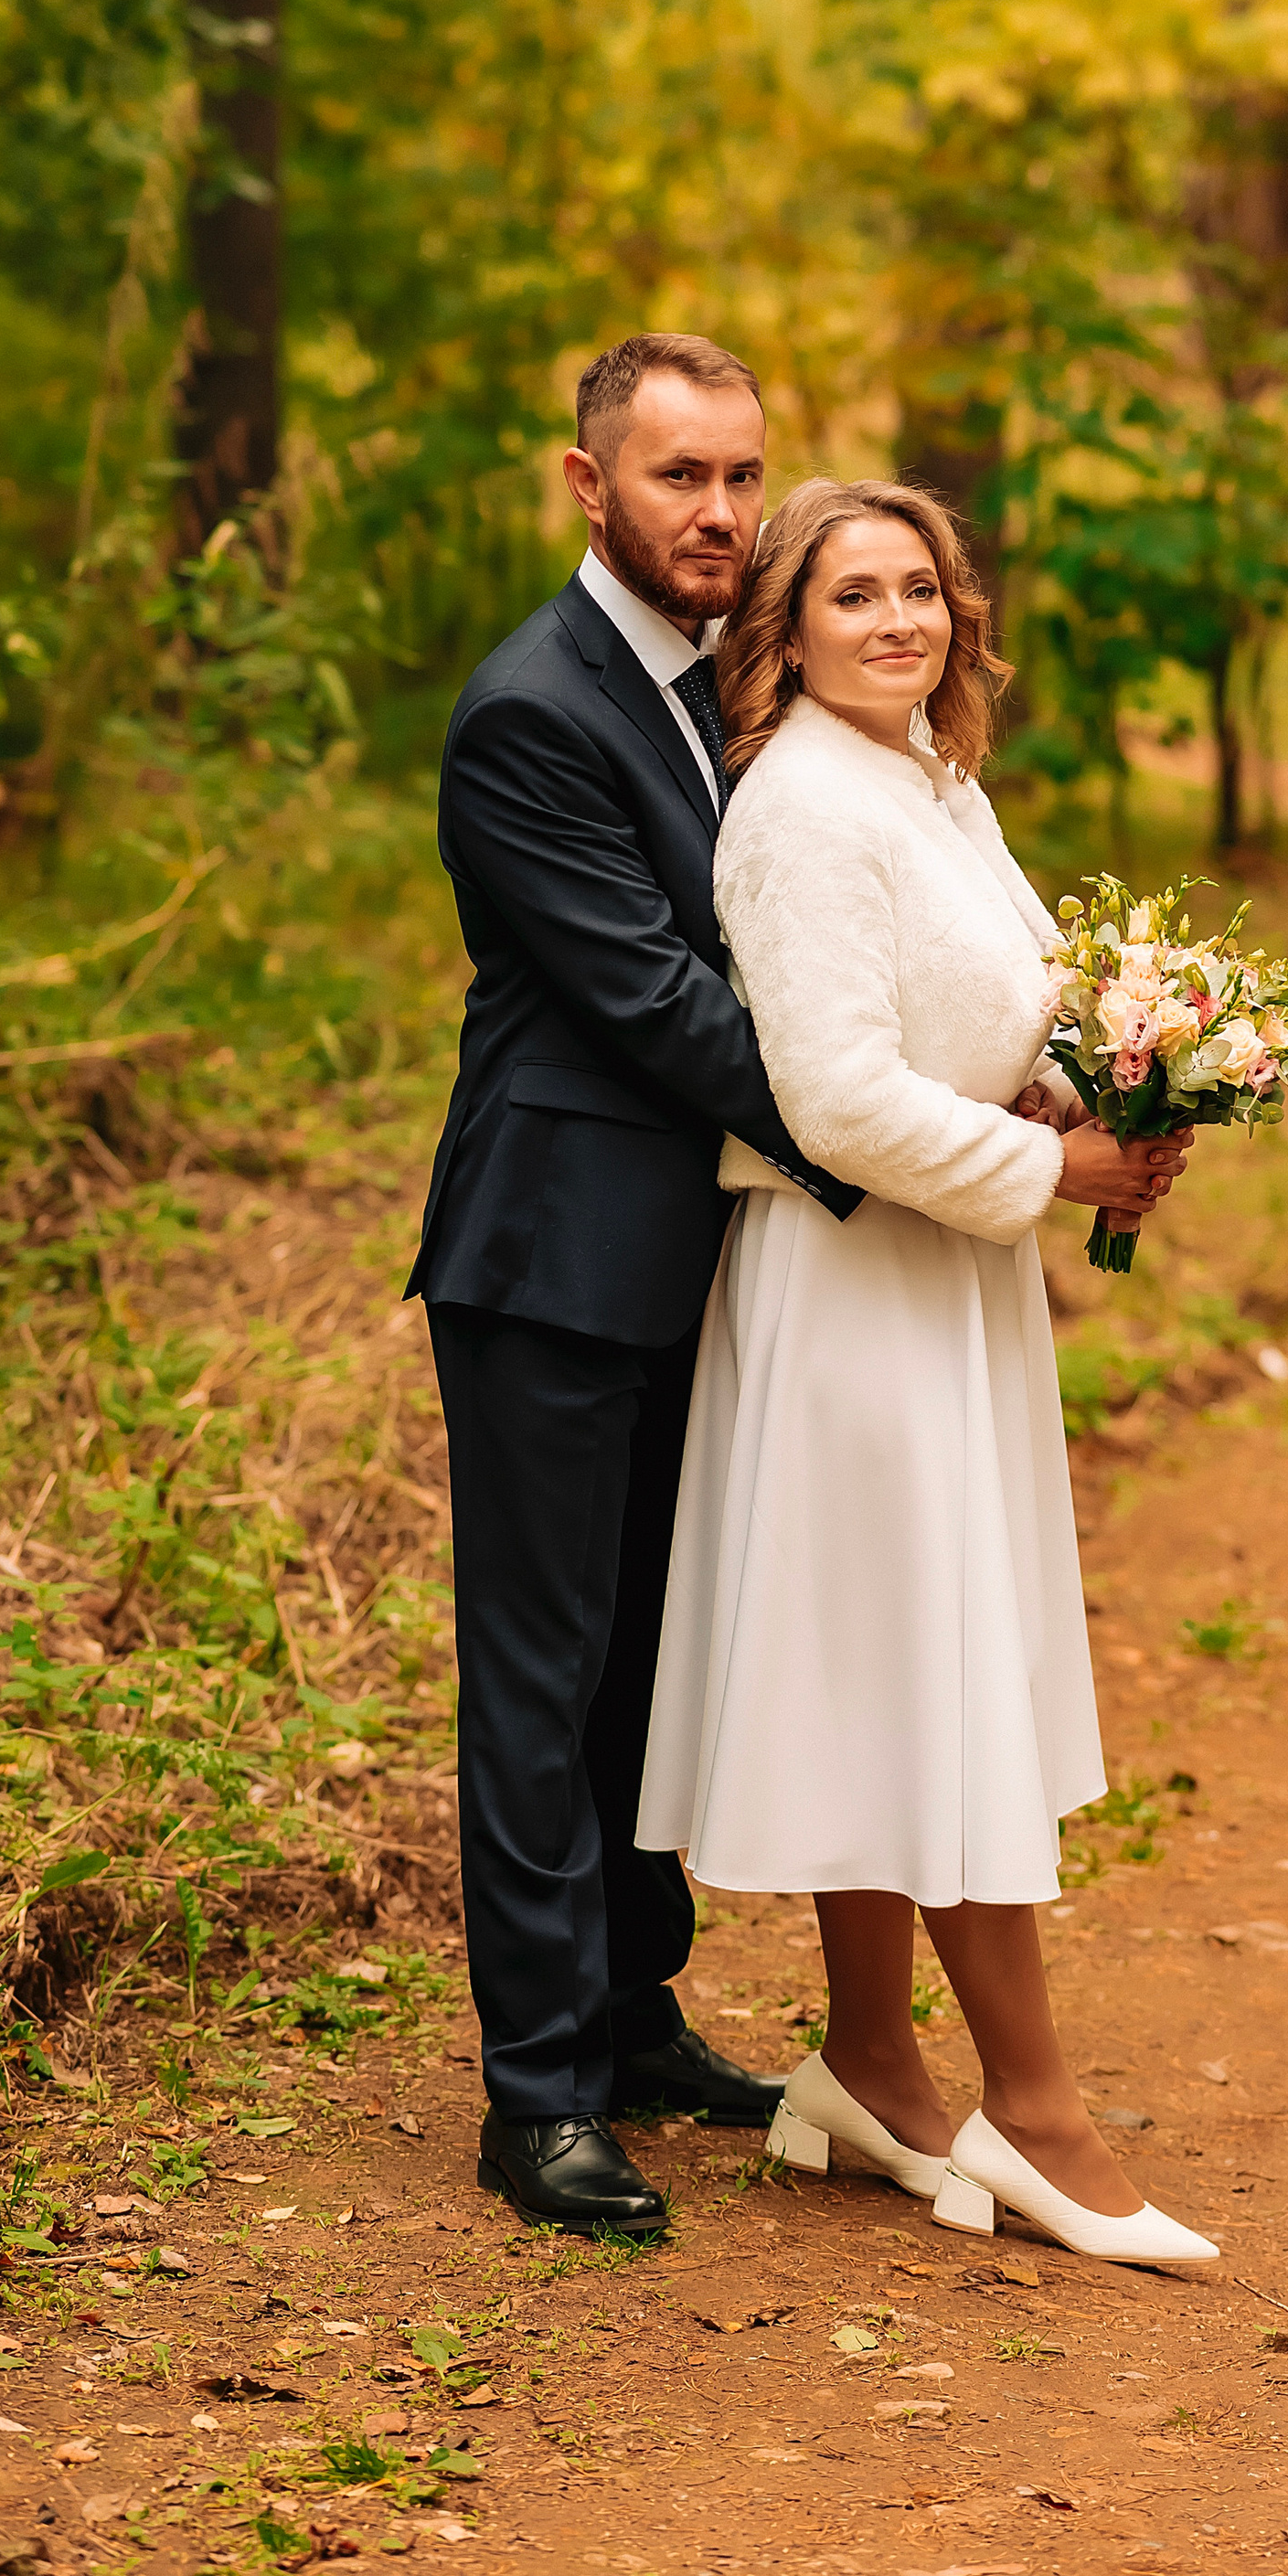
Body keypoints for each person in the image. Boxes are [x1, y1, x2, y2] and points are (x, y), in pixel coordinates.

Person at [636, 477, 1216, 2268]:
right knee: (938, 1676)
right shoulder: (803, 808)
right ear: (784, 632)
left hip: (946, 1285)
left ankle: (874, 2066)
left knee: (902, 1667)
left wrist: (1108, 1083)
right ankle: (1032, 2117)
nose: (895, 620)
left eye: (919, 591)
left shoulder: (932, 784)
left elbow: (993, 1007)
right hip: (855, 1299)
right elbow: (829, 1095)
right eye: (851, 594)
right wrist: (1050, 1171)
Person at [409, 334, 869, 2240]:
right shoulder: (534, 710)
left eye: (743, 475)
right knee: (542, 1668)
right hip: (549, 1250)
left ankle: (625, 2007)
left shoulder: (727, 685)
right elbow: (663, 1008)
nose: (721, 514)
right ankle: (534, 2096)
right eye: (680, 477)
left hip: (690, 1250)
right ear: (586, 484)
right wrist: (906, 1138)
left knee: (644, 1666)